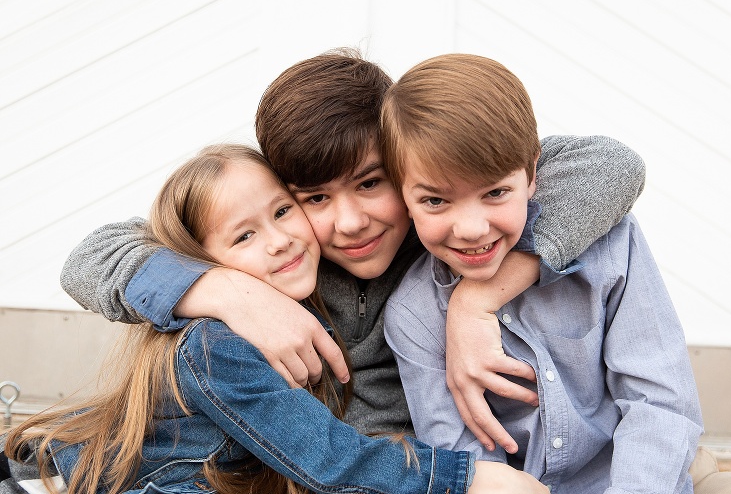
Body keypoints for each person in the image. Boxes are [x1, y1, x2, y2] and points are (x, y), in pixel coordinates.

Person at [58, 49, 646, 456]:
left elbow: (609, 165)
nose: (349, 222)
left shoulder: (444, 225)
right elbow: (90, 258)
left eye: (371, 183)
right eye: (313, 197)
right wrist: (227, 292)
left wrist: (479, 297)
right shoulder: (273, 251)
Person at [1, 144, 549, 494]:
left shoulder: (409, 245)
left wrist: (479, 298)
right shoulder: (216, 343)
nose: (280, 239)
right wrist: (465, 480)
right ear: (202, 258)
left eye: (284, 211)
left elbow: (602, 163)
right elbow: (329, 460)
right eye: (244, 236)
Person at [378, 53, 729, 492]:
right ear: (403, 197)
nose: (470, 229)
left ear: (532, 174)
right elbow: (461, 456)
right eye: (435, 201)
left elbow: (659, 401)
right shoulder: (412, 315)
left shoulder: (610, 243)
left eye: (496, 193)